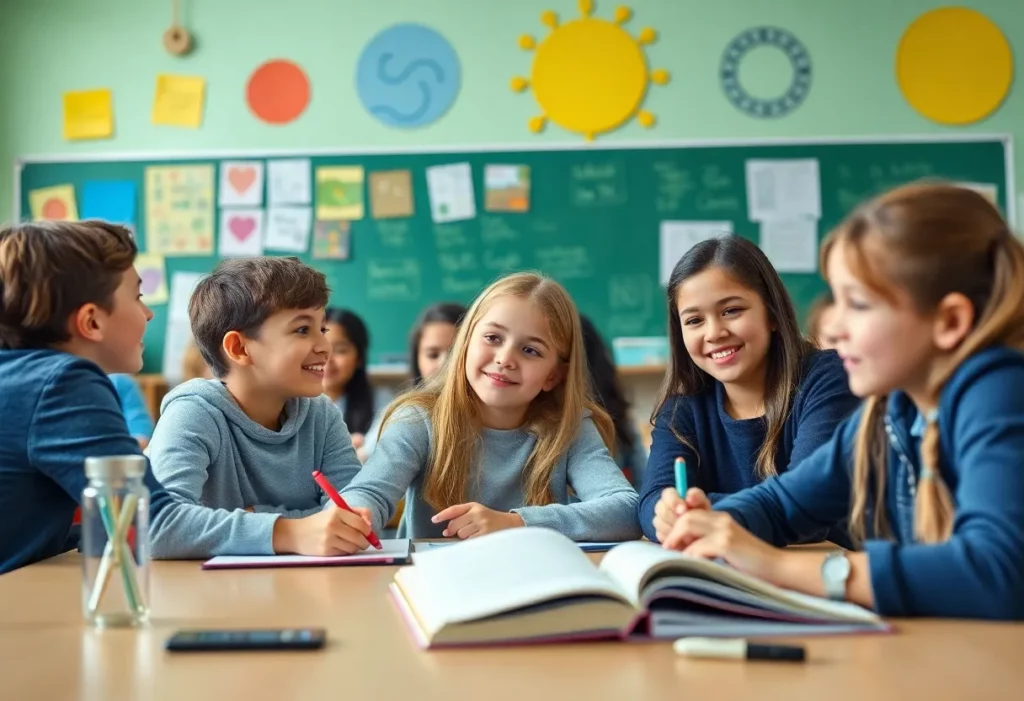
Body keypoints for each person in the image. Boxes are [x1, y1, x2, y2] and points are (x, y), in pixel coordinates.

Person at [661, 183, 1024, 619]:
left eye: (858, 304)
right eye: (836, 300)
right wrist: (718, 524)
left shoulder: (999, 391)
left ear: (949, 321)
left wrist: (779, 566)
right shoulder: (891, 411)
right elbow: (784, 503)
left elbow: (997, 572)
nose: (833, 326)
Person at [338, 272, 641, 542]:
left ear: (553, 375)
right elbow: (370, 490)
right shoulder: (420, 418)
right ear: (466, 341)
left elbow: (625, 510)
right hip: (434, 588)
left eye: (530, 350)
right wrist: (357, 512)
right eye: (493, 338)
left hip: (534, 584)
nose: (505, 358)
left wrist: (516, 522)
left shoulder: (569, 428)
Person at [641, 235, 859, 545]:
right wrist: (664, 514)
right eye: (694, 320)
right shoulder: (682, 409)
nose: (714, 332)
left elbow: (807, 503)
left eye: (731, 311)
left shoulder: (828, 378)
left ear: (771, 312)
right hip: (731, 578)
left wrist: (705, 513)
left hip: (825, 575)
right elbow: (651, 501)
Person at [146, 257, 368, 558]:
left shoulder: (321, 415)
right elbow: (156, 525)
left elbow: (353, 515)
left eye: (322, 329)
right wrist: (289, 532)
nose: (324, 346)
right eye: (303, 330)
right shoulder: (193, 412)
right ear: (240, 348)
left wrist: (257, 515)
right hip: (208, 596)